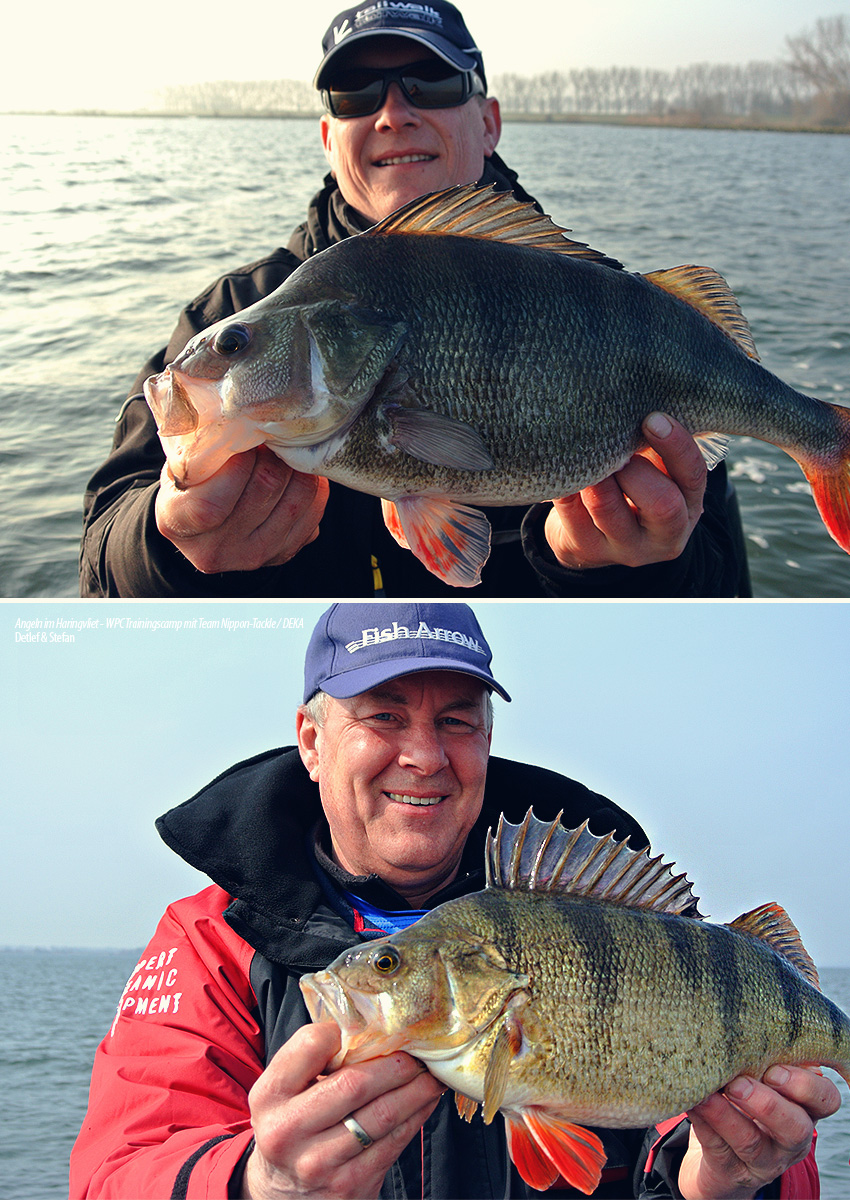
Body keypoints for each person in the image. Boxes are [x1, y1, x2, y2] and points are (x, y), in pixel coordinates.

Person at [69, 602, 837, 1199]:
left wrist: (726, 1181)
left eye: (457, 720)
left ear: (487, 740)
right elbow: (116, 1170)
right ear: (310, 740)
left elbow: (709, 1117)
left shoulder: (614, 919)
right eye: (383, 716)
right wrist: (258, 1184)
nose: (425, 755)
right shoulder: (212, 938)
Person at [79, 1, 751, 599]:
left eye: (429, 84)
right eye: (354, 94)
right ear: (328, 138)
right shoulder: (231, 305)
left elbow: (725, 594)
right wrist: (165, 550)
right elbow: (101, 568)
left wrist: (640, 572)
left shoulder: (624, 313)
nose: (393, 113)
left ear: (488, 123)